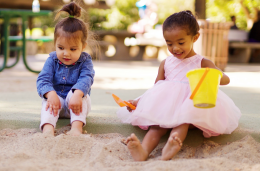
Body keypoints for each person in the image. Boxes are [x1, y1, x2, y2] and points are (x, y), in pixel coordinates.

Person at [117, 10, 241, 161]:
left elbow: (225, 80)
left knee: (183, 122)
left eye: (181, 43)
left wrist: (212, 73)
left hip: (191, 104)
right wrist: (139, 101)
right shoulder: (166, 63)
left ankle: (172, 145)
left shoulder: (202, 62)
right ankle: (143, 151)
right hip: (166, 106)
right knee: (156, 126)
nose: (175, 48)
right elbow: (156, 88)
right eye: (169, 44)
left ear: (195, 37)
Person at [36, 2, 95, 136]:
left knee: (79, 94)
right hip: (56, 104)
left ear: (83, 46)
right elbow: (43, 79)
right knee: (47, 99)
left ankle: (76, 128)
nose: (66, 53)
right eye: (61, 48)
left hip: (77, 103)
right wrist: (50, 94)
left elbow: (87, 78)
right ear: (55, 44)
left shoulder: (85, 60)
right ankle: (48, 129)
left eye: (73, 49)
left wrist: (78, 94)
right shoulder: (52, 59)